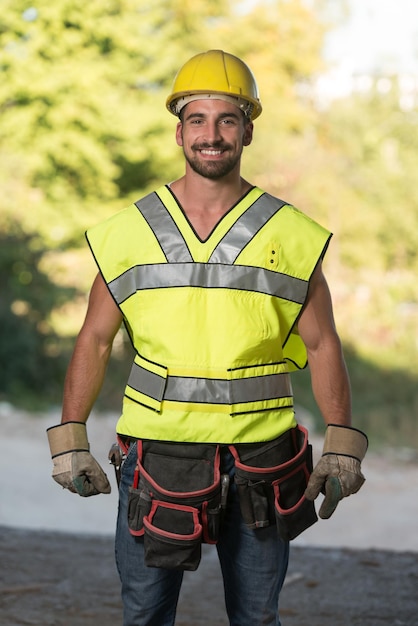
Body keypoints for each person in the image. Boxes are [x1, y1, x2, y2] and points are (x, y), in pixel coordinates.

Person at [47, 50, 368, 626]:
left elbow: (323, 345)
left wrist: (342, 439)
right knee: (144, 616)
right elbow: (94, 339)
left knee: (256, 618)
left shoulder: (290, 234)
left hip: (263, 460)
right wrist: (70, 436)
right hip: (155, 459)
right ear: (179, 131)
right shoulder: (130, 232)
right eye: (198, 119)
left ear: (247, 129)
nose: (212, 135)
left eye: (227, 120)